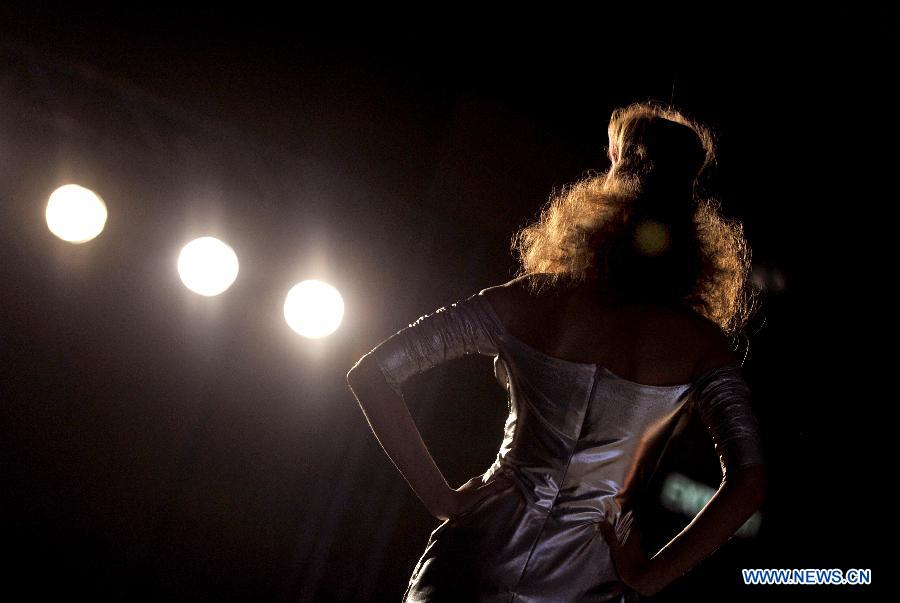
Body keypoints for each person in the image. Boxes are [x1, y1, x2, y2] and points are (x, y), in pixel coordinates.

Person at [346, 100, 767, 602]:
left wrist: (442, 499)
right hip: (587, 575)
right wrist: (651, 574)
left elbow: (372, 373)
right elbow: (749, 483)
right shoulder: (702, 346)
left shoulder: (530, 299)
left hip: (474, 559)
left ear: (613, 176)